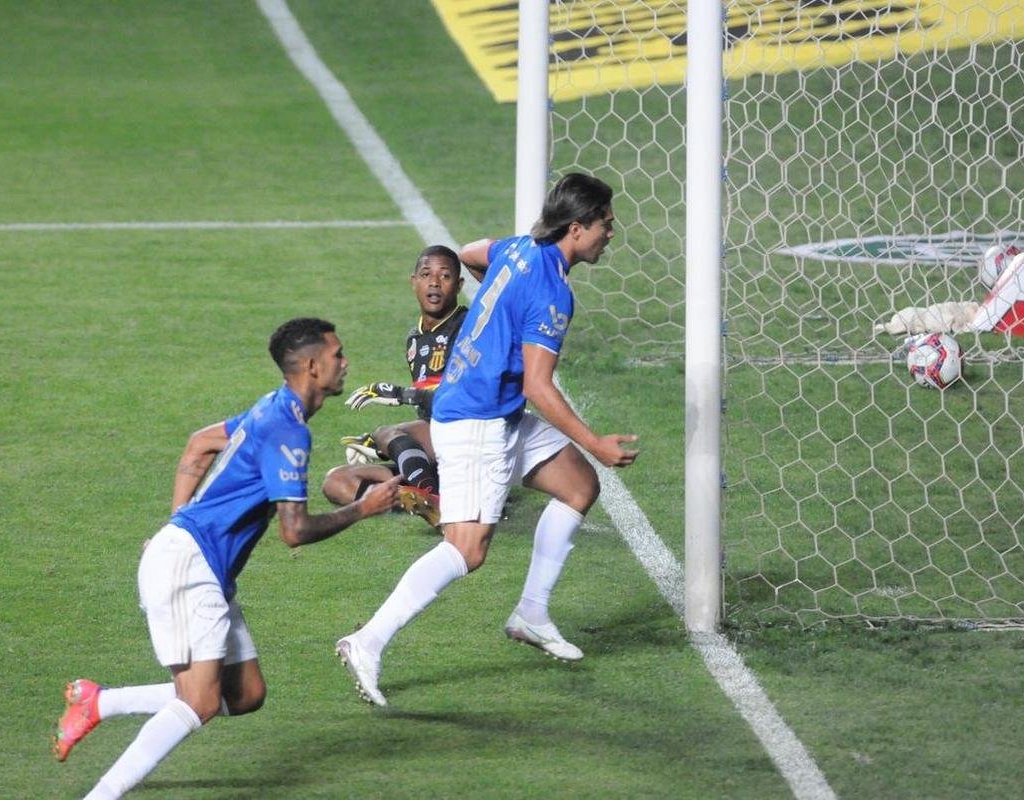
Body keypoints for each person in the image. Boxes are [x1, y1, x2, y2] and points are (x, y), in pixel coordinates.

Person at [52, 318, 401, 799]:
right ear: (312, 366)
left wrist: (176, 525)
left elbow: (199, 445)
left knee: (245, 693)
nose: (345, 363)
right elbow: (294, 532)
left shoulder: (271, 406)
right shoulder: (286, 429)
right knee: (198, 702)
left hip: (201, 565)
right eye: (337, 355)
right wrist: (362, 508)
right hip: (191, 568)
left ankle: (100, 702)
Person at [335, 173, 640, 707]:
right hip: (477, 422)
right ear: (577, 227)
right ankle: (368, 641)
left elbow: (471, 254)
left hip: (494, 411)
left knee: (577, 486)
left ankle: (531, 613)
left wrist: (499, 314)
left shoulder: (520, 248)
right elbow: (539, 387)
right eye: (605, 225)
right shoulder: (552, 293)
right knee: (466, 549)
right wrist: (596, 442)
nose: (610, 234)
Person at [321, 244, 467, 527]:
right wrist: (381, 447)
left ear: (459, 285)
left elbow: (463, 400)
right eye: (426, 274)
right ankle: (427, 499)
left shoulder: (468, 329)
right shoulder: (415, 339)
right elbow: (430, 412)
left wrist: (401, 395)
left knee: (387, 432)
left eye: (445, 276)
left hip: (467, 436)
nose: (434, 282)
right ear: (414, 282)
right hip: (439, 452)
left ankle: (434, 502)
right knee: (337, 480)